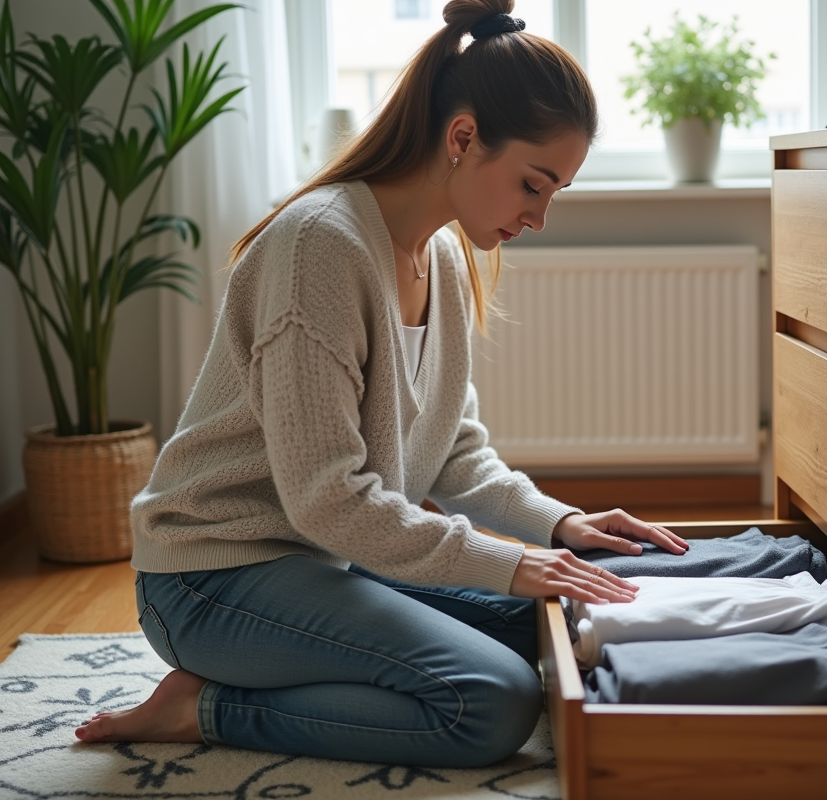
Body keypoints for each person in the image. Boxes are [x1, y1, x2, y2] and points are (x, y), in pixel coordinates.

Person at [74, 0, 688, 768]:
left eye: (553, 193)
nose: (540, 217)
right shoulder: (319, 248)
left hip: (324, 558)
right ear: (463, 137)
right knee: (492, 701)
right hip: (213, 577)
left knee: (557, 617)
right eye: (534, 184)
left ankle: (287, 673)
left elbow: (458, 453)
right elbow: (327, 497)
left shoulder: (447, 259)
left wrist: (557, 526)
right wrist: (506, 561)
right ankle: (204, 706)